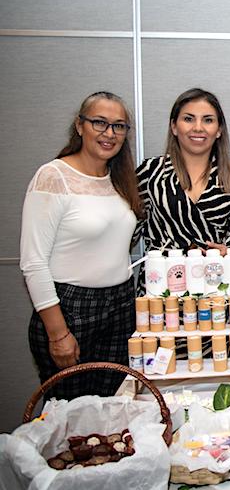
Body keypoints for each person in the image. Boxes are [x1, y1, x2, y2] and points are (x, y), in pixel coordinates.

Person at [20, 91, 143, 399]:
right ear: (79, 125)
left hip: (120, 305)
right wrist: (58, 333)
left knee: (110, 411)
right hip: (71, 308)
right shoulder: (54, 176)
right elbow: (33, 263)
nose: (109, 133)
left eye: (118, 126)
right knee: (70, 417)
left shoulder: (120, 178)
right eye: (99, 123)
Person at [136, 88, 230, 265]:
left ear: (219, 130)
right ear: (174, 126)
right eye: (188, 119)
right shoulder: (150, 172)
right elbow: (129, 231)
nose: (198, 127)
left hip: (214, 283)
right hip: (161, 284)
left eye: (208, 120)